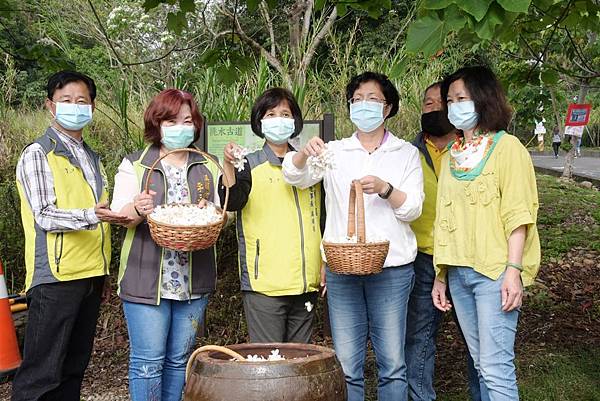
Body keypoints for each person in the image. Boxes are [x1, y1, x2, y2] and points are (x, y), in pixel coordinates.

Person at [283, 72, 424, 401]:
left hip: (392, 268)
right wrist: (304, 153)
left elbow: (413, 209)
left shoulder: (405, 154)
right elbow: (295, 176)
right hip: (343, 269)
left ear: (387, 108)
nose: (363, 106)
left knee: (392, 363)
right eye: (357, 99)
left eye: (372, 99)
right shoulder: (335, 151)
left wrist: (387, 189)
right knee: (347, 364)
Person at [13, 70, 132, 401]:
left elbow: (102, 215)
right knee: (41, 373)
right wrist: (92, 215)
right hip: (55, 277)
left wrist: (104, 270)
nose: (75, 107)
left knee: (74, 367)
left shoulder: (92, 157)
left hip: (90, 276)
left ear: (92, 107)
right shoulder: (38, 153)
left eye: (82, 101)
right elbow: (45, 215)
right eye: (66, 101)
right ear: (50, 106)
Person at [431, 66, 541, 401]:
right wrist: (441, 275)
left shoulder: (508, 148)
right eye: (449, 100)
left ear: (482, 99)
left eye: (461, 98)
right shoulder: (452, 154)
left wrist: (513, 271)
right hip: (459, 273)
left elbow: (519, 214)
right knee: (481, 364)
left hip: (494, 273)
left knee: (495, 368)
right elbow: (445, 217)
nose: (454, 106)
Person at [111, 89, 219, 401]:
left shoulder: (206, 165)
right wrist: (137, 207)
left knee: (178, 361)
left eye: (187, 120)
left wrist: (211, 215)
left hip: (193, 281)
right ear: (157, 123)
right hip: (145, 280)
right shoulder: (136, 165)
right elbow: (122, 217)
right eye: (171, 120)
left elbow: (218, 212)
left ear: (196, 124)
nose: (180, 126)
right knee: (147, 363)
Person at [218, 88, 322, 344]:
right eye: (271, 114)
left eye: (285, 114)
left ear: (295, 121)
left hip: (306, 282)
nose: (279, 119)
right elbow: (232, 202)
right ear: (260, 122)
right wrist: (228, 164)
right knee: (269, 363)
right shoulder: (249, 164)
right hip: (265, 284)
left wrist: (324, 264)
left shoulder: (312, 167)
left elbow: (324, 220)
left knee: (300, 363)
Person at [406, 82, 485, 401]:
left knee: (479, 341)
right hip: (425, 258)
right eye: (428, 104)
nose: (435, 108)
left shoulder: (474, 150)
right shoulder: (407, 152)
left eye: (443, 102)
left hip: (470, 256)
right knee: (419, 338)